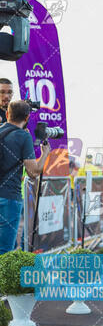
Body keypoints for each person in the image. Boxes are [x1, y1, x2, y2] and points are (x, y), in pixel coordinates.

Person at [0, 100, 51, 254]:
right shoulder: (23, 137)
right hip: (9, 198)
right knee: (4, 251)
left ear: (7, 114)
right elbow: (33, 172)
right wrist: (45, 154)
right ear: (27, 118)